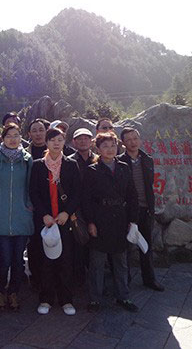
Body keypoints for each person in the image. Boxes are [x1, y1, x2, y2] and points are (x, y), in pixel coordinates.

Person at [82, 132, 139, 313]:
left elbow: (132, 195)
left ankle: (123, 296)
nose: (109, 149)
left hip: (120, 218)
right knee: (97, 262)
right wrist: (90, 222)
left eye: (113, 146)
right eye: (105, 146)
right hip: (100, 218)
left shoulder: (124, 167)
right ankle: (95, 299)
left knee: (121, 261)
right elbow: (86, 200)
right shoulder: (92, 170)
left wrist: (133, 220)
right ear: (98, 149)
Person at [29, 128, 81, 316]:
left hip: (64, 220)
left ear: (64, 141)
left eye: (59, 140)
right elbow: (33, 192)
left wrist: (67, 212)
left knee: (66, 261)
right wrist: (44, 214)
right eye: (52, 140)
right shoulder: (38, 165)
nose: (56, 143)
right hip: (46, 221)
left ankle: (66, 299)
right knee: (46, 261)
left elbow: (77, 192)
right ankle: (46, 299)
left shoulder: (71, 164)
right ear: (46, 143)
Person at [0, 123, 33, 311]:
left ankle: (14, 292)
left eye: (16, 135)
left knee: (18, 260)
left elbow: (31, 185)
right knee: (3, 258)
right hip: (0, 216)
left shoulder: (27, 159)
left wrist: (29, 204)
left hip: (22, 216)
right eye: (9, 135)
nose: (13, 139)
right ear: (2, 138)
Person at [118, 127, 164, 292]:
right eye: (128, 139)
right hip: (127, 211)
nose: (133, 142)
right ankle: (125, 281)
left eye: (135, 138)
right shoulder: (119, 162)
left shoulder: (147, 159)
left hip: (146, 209)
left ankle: (149, 279)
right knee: (126, 248)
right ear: (123, 143)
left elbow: (149, 185)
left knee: (146, 246)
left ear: (140, 139)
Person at [68, 128, 97, 285]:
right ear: (74, 142)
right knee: (78, 244)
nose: (83, 141)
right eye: (79, 138)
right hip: (77, 210)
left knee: (96, 246)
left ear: (92, 141)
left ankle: (95, 281)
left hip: (96, 208)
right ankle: (79, 281)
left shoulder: (98, 159)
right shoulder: (69, 161)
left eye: (86, 138)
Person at [26, 117, 50, 290]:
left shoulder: (54, 150)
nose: (38, 133)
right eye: (34, 130)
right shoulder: (24, 154)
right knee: (34, 243)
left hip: (51, 205)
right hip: (30, 206)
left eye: (41, 130)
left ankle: (51, 277)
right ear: (29, 134)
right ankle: (36, 277)